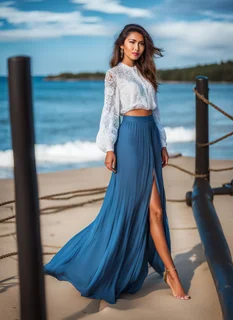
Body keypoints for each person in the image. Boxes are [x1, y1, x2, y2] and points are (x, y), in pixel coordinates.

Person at [44, 23, 191, 303]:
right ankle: (171, 273)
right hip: (130, 139)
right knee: (152, 208)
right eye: (132, 42)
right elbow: (110, 113)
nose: (136, 47)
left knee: (153, 210)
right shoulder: (113, 75)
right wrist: (109, 147)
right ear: (121, 45)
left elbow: (156, 114)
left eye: (141, 43)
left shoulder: (146, 73)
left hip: (148, 136)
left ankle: (165, 270)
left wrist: (161, 143)